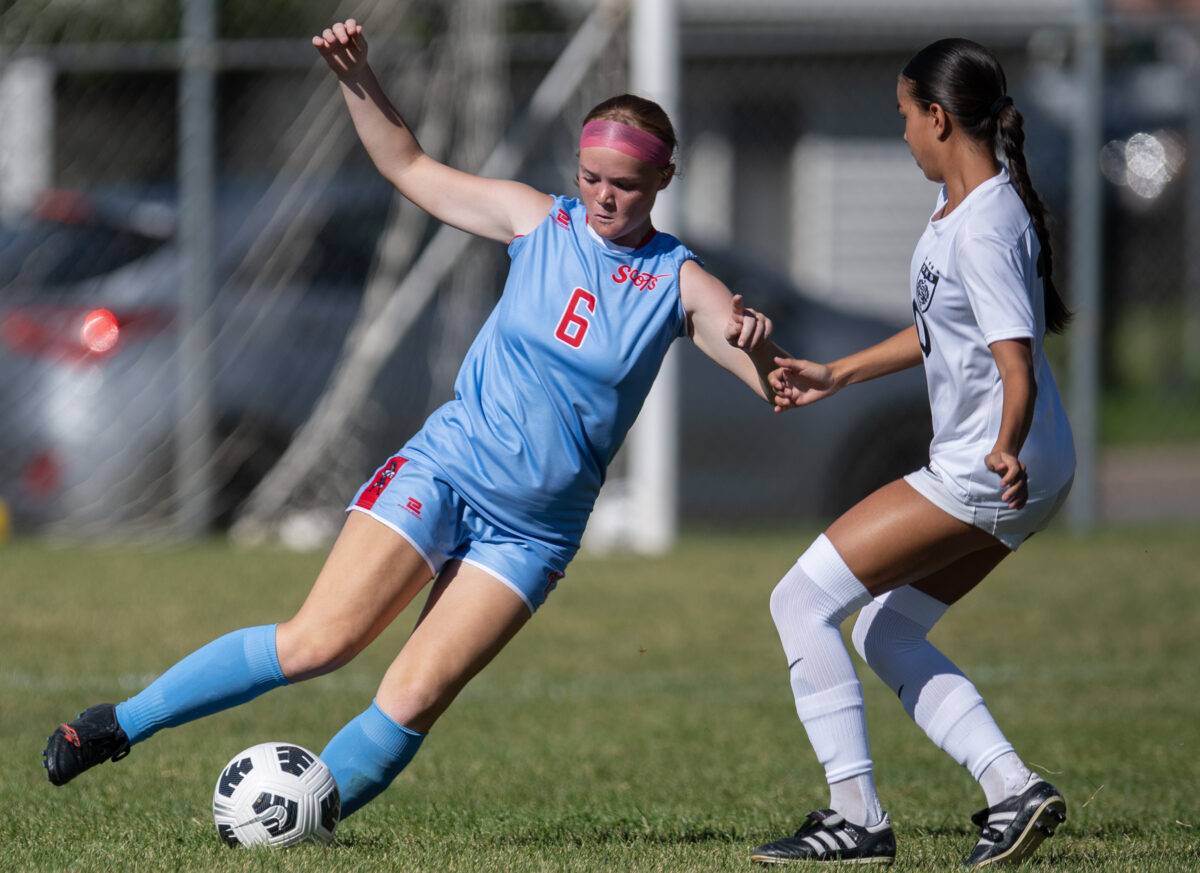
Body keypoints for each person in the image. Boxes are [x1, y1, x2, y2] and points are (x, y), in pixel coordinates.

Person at [42, 19, 787, 822]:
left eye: (627, 185)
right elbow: (408, 164)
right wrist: (357, 76)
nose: (605, 196)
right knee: (321, 642)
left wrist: (758, 345)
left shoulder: (676, 278)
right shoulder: (539, 220)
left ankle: (293, 822)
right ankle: (115, 723)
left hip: (533, 532)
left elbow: (753, 358)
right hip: (447, 467)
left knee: (415, 693)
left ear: (665, 178)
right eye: (592, 175)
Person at [749, 38, 1075, 868]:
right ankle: (1014, 789)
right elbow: (944, 330)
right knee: (887, 632)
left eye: (904, 118)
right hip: (1021, 467)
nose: (901, 135)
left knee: (800, 600)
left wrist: (1001, 445)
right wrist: (838, 371)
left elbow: (1016, 363)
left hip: (989, 468)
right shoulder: (970, 211)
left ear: (939, 117)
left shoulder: (982, 229)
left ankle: (855, 817)